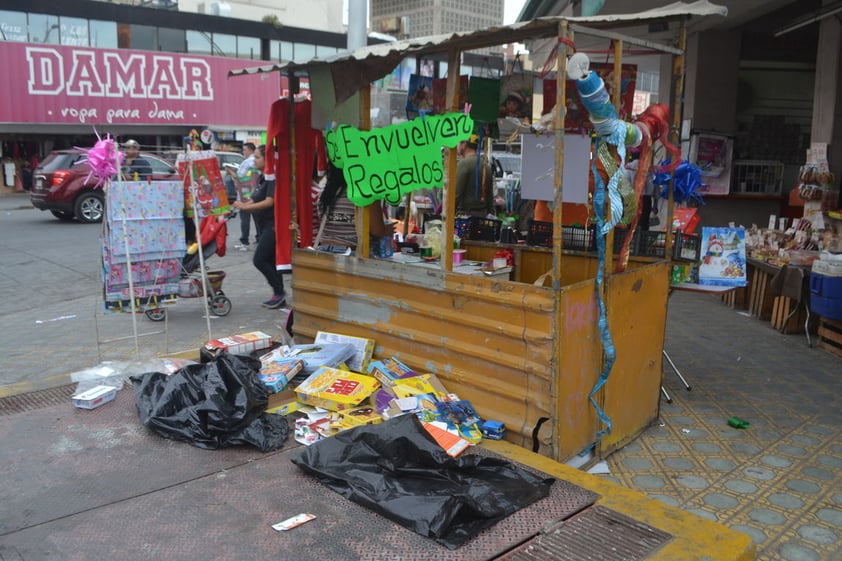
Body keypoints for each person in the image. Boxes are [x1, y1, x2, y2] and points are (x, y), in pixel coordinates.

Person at [232, 145, 287, 309]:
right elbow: (256, 198)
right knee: (270, 260)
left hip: (273, 225)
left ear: (267, 159)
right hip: (263, 225)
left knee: (259, 259)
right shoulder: (264, 178)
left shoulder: (273, 178)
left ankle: (279, 292)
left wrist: (244, 208)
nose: (253, 160)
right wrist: (243, 204)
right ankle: (278, 294)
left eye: (257, 157)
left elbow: (270, 201)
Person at [316, 163, 394, 253]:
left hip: (324, 252)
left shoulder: (324, 193)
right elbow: (377, 231)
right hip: (350, 255)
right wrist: (386, 230)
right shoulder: (366, 193)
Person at [455, 134, 495, 217]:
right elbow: (490, 198)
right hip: (482, 215)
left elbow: (456, 194)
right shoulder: (486, 166)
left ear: (464, 144)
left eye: (458, 143)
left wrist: (447, 215)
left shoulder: (463, 164)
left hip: (465, 215)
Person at [227, 142, 257, 251]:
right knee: (257, 219)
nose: (243, 152)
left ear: (250, 150)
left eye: (245, 150)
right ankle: (258, 239)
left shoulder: (248, 162)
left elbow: (239, 178)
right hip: (254, 194)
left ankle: (244, 242)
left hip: (245, 195)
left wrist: (230, 172)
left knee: (245, 219)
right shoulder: (256, 162)